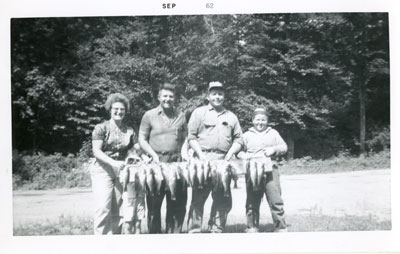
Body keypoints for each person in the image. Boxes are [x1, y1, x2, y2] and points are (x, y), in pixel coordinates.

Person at [187, 81, 243, 233]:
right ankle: (194, 230)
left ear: (224, 96)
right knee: (198, 198)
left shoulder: (231, 116)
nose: (217, 97)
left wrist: (230, 154)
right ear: (208, 96)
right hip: (203, 160)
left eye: (220, 93)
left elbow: (239, 140)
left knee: (222, 198)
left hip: (223, 161)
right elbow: (191, 137)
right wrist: (200, 155)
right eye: (214, 93)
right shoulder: (199, 113)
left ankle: (216, 229)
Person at [138, 83, 188, 233]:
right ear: (159, 97)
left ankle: (174, 238)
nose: (168, 99)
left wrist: (185, 154)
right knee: (154, 205)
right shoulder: (149, 115)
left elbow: (185, 138)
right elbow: (142, 139)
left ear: (175, 98)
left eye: (171, 96)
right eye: (165, 96)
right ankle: (155, 240)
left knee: (177, 204)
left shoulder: (181, 115)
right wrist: (153, 155)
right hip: (156, 165)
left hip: (176, 164)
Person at [89, 93, 135, 235]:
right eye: (115, 109)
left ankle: (114, 243)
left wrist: (142, 157)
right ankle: (100, 242)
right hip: (102, 170)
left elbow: (133, 150)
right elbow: (96, 151)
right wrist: (113, 163)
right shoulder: (101, 128)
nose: (119, 112)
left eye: (122, 109)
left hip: (121, 171)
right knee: (103, 207)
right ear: (110, 109)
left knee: (117, 210)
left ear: (125, 111)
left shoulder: (129, 130)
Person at [237, 108, 288, 233]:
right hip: (253, 171)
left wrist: (274, 149)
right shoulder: (246, 135)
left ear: (267, 121)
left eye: (263, 120)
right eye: (258, 119)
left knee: (276, 199)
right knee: (252, 200)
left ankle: (281, 227)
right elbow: (237, 150)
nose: (260, 122)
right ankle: (252, 227)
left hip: (271, 172)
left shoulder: (273, 133)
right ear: (253, 120)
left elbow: (284, 147)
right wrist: (243, 155)